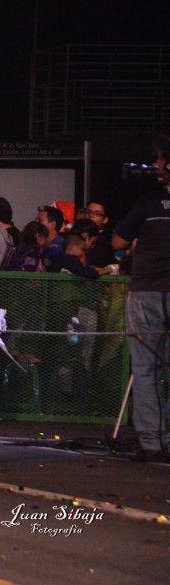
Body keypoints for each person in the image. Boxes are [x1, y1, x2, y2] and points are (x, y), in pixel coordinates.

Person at [112, 133, 170, 462]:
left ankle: (152, 442)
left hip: (148, 291)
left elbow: (119, 242)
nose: (157, 164)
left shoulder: (149, 202)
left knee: (146, 370)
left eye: (161, 159)